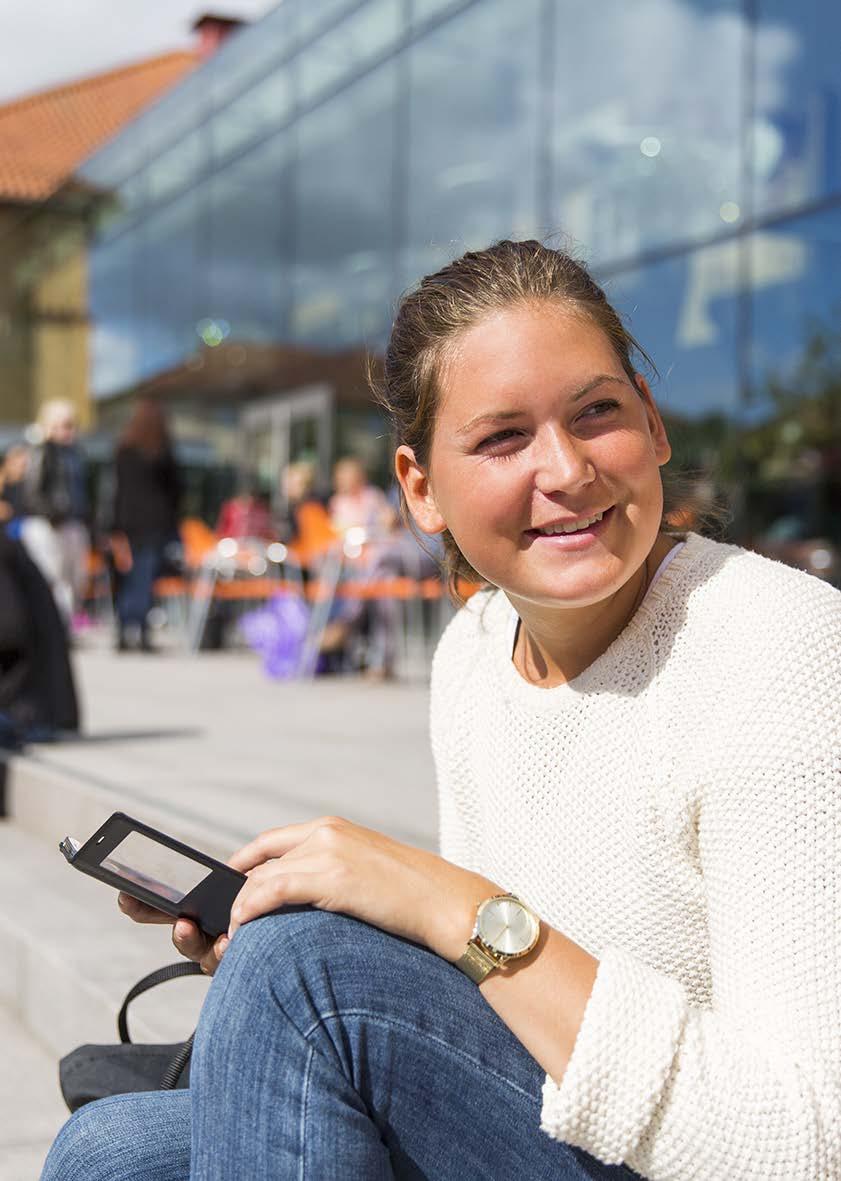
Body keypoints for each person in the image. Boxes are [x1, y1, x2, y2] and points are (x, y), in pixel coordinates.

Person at [42, 241, 841, 1180]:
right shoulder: (473, 652)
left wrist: (447, 904)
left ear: (653, 424)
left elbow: (804, 1138)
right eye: (504, 437)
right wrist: (347, 922)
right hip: (556, 1116)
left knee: (303, 976)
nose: (568, 469)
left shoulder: (780, 648)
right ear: (420, 489)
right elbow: (495, 991)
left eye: (597, 412)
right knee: (109, 1152)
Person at [110, 399, 181, 653]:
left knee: (129, 578)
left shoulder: (124, 450)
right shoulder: (161, 452)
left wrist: (116, 526)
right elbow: (176, 491)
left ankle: (122, 629)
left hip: (129, 524)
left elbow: (118, 492)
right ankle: (139, 631)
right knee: (145, 578)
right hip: (154, 524)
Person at [19, 400, 90, 626]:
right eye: (63, 425)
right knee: (50, 577)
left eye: (71, 425)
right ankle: (50, 627)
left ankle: (63, 626)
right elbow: (32, 492)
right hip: (47, 524)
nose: (68, 431)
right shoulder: (41, 452)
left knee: (72, 579)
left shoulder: (75, 454)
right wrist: (53, 515)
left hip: (72, 523)